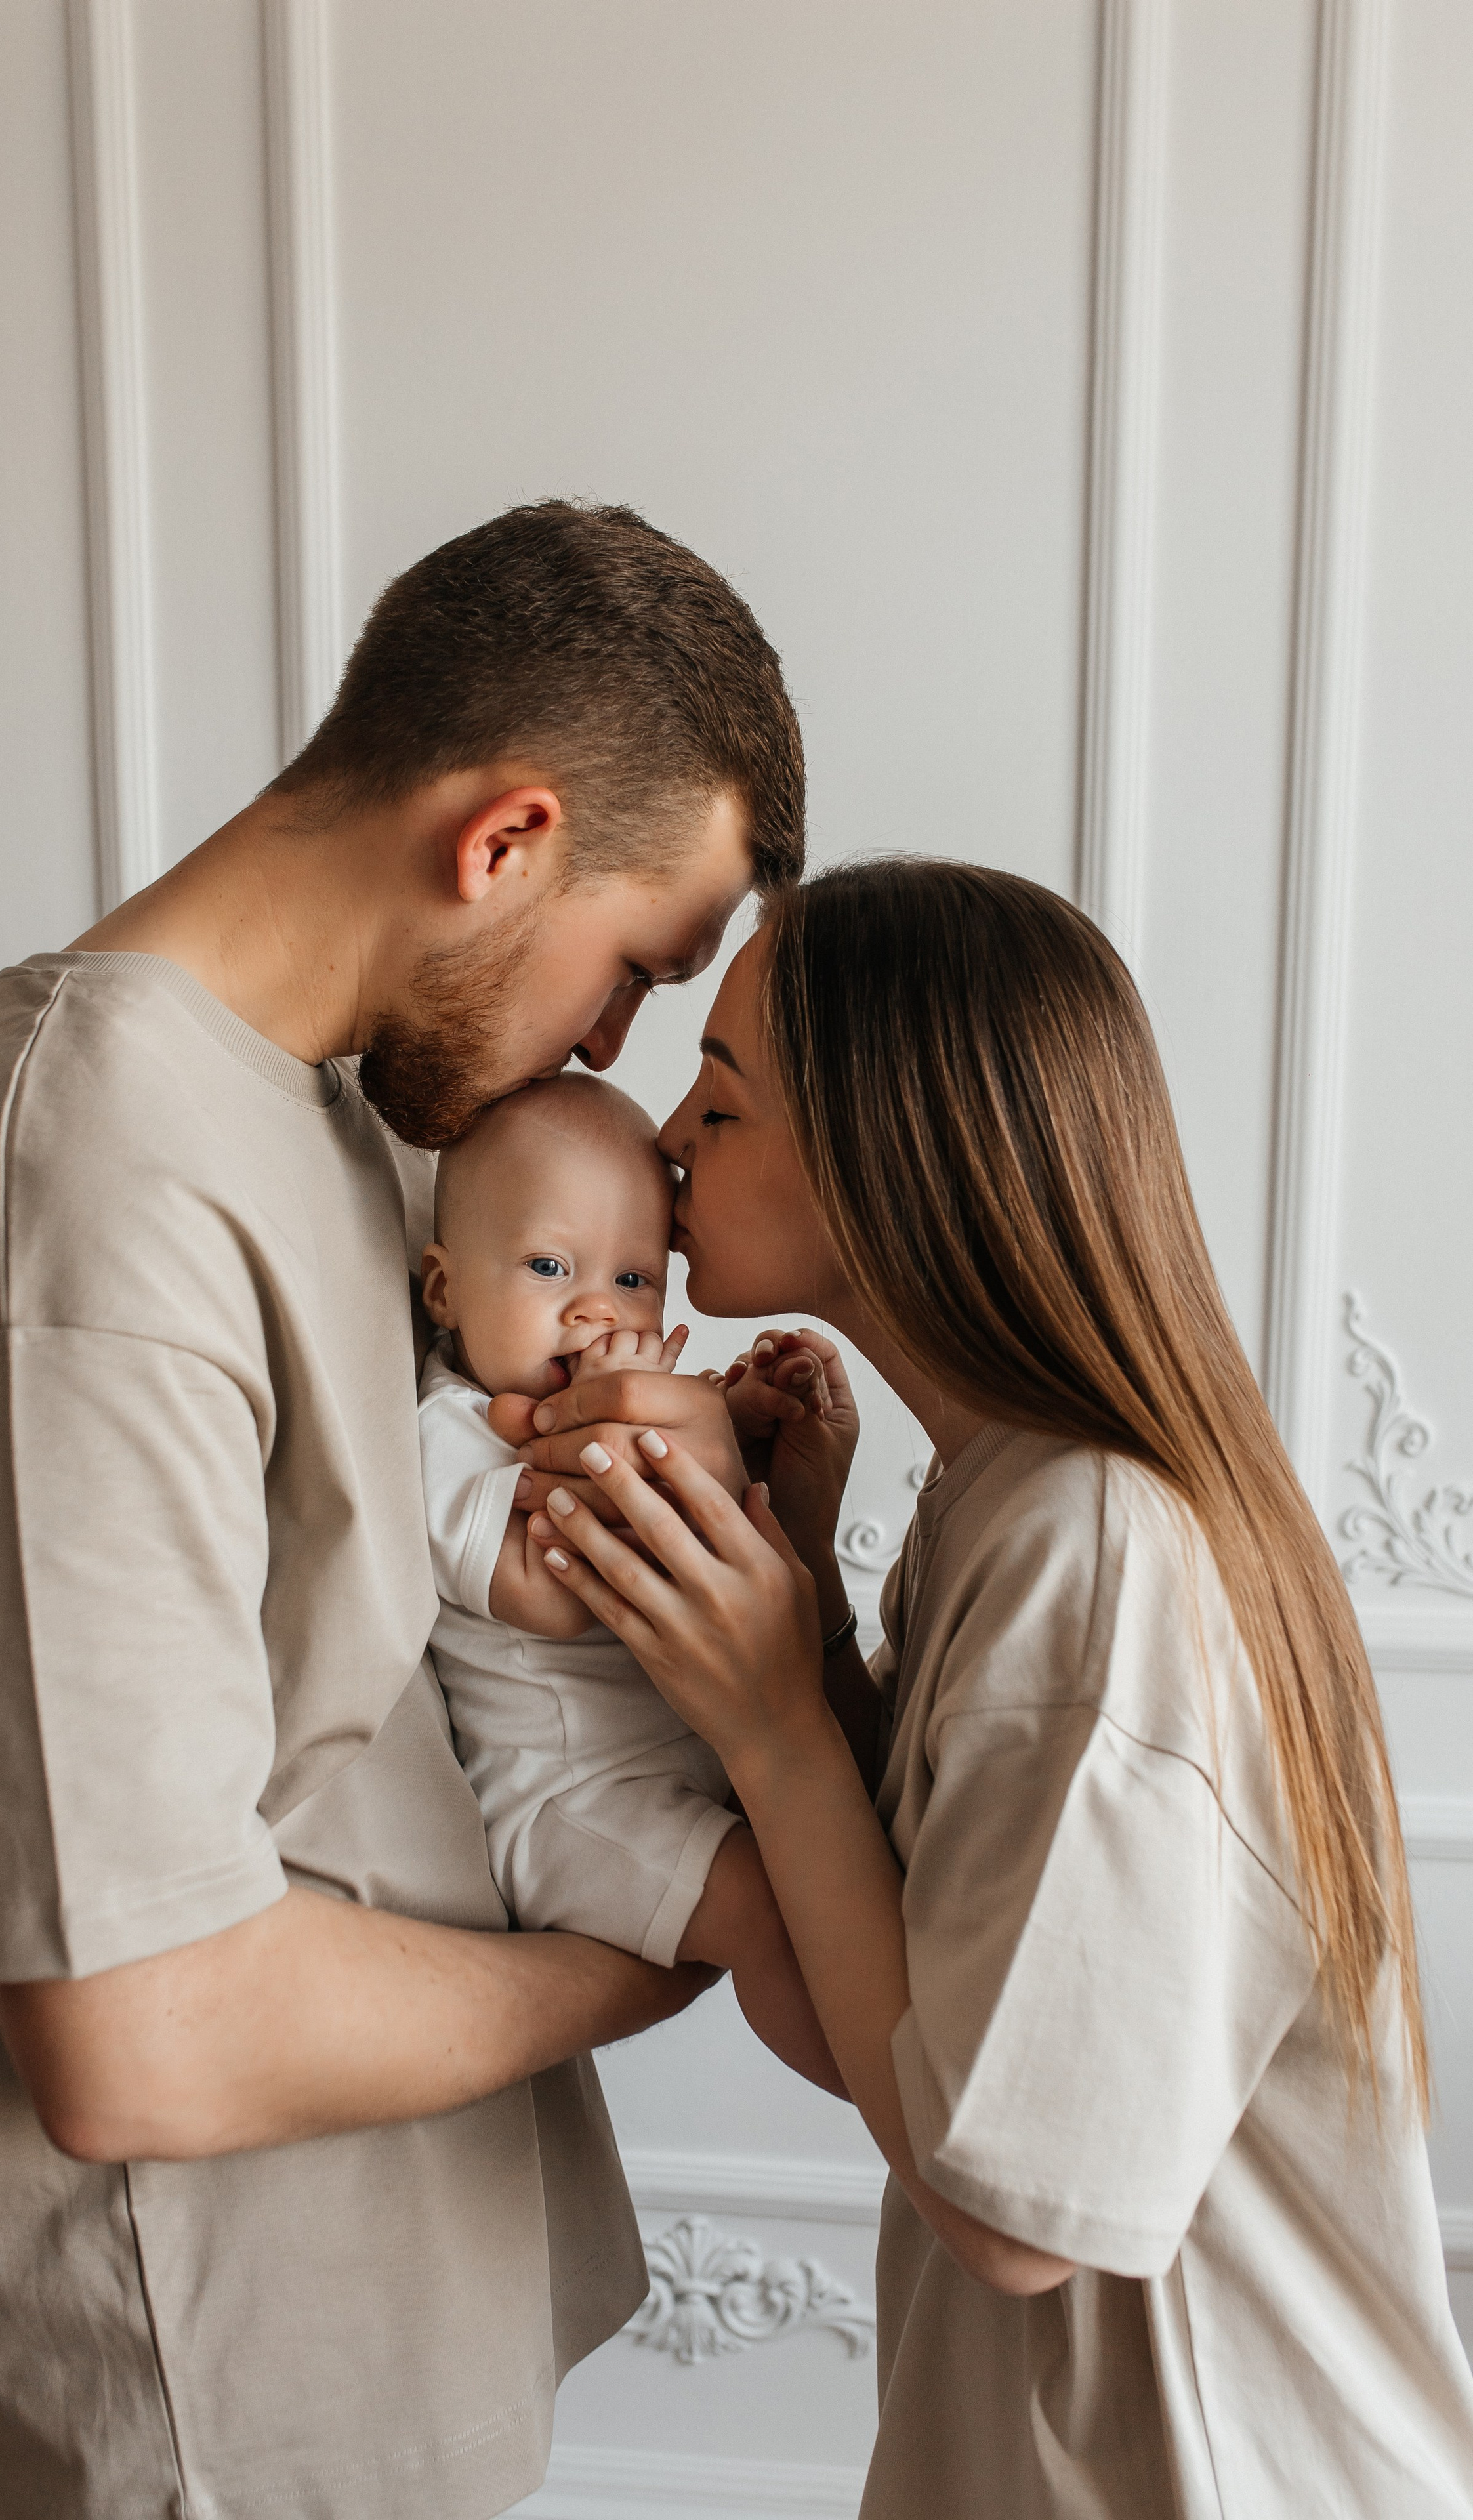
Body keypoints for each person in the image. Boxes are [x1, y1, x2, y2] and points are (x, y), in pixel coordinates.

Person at [0, 501, 804, 2520]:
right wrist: (657, 1963)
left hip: (375, 2320)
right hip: (233, 2409)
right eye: (633, 970)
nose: (613, 1054)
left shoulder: (336, 1118)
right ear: (505, 839)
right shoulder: (75, 1232)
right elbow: (137, 2033)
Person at [518, 857, 1473, 2517]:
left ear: (889, 1158)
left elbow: (1018, 2211)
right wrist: (805, 1624)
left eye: (721, 1104)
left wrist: (775, 1722)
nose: (664, 1140)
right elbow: (919, 2008)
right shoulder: (1006, 1496)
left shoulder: (1093, 1547)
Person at [417, 1070, 840, 2090]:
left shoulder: (613, 1409)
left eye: (635, 1280)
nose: (593, 1311)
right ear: (444, 1289)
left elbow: (682, 1504)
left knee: (841, 1865)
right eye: (550, 1266)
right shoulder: (452, 1436)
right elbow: (553, 1595)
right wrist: (653, 1447)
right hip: (572, 1803)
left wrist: (733, 1426)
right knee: (767, 1912)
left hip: (683, 1765)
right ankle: (874, 2079)